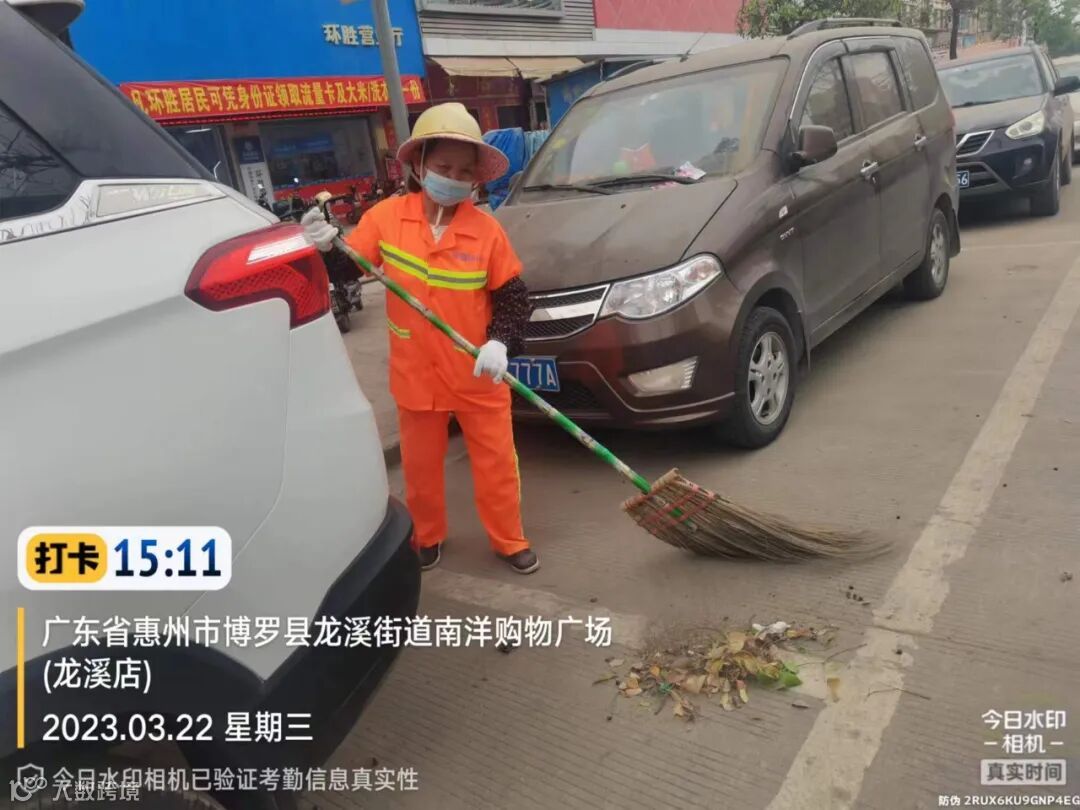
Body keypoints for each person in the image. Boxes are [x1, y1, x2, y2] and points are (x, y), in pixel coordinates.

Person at [301, 103, 538, 575]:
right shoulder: (386, 218)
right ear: (419, 165)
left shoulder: (486, 232)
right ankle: (427, 536)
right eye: (444, 167)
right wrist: (326, 248)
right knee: (421, 468)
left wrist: (500, 343)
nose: (453, 178)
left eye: (464, 172)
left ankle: (509, 539)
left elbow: (514, 298)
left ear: (476, 180)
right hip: (417, 377)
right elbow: (349, 270)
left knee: (496, 466)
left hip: (476, 374)